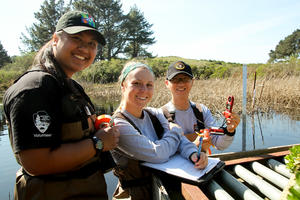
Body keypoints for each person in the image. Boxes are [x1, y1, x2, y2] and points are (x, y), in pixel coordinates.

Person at [3, 10, 120, 200]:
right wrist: (97, 143)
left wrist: (97, 127)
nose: (85, 48)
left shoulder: (72, 87)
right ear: (55, 39)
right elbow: (36, 163)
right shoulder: (35, 88)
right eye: (77, 38)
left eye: (92, 44)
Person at [111, 61, 208, 200]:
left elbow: (181, 141)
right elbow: (158, 154)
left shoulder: (154, 113)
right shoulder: (118, 125)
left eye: (149, 85)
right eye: (136, 83)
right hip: (135, 195)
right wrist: (175, 131)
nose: (144, 90)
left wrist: (193, 154)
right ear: (123, 86)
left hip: (161, 191)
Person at [162, 61, 240, 153]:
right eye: (175, 79)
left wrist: (229, 131)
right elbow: (163, 151)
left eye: (185, 79)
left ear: (192, 82)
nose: (181, 83)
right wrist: (194, 146)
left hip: (202, 166)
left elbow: (219, 145)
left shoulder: (202, 111)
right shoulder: (160, 114)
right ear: (167, 83)